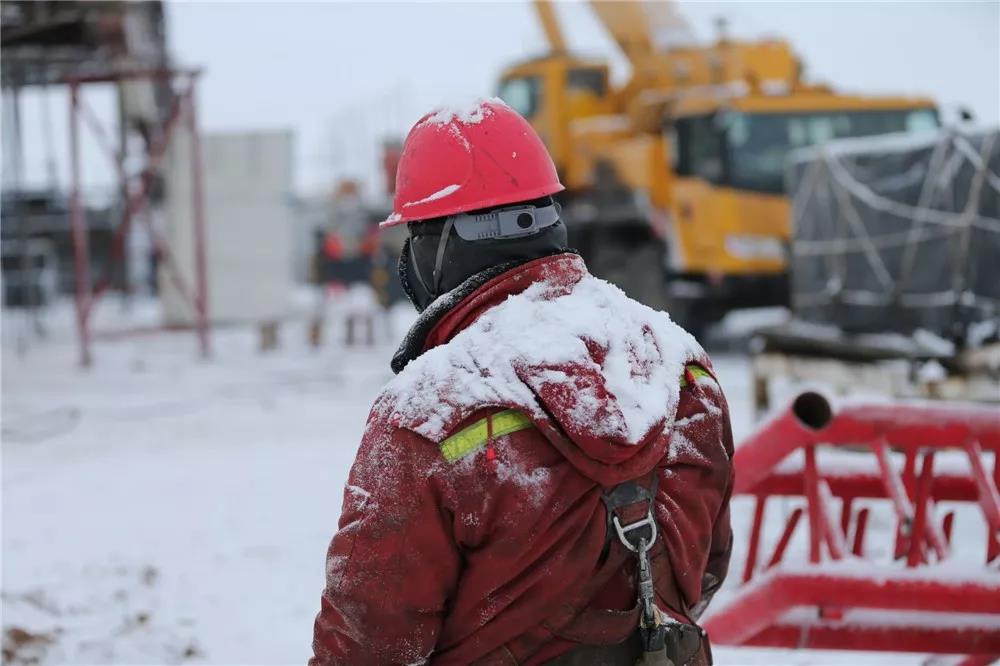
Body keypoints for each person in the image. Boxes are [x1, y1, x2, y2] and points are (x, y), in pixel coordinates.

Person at [310, 99, 734, 666]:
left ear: (436, 249)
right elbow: (704, 570)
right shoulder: (682, 365)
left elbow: (366, 644)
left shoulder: (429, 410)